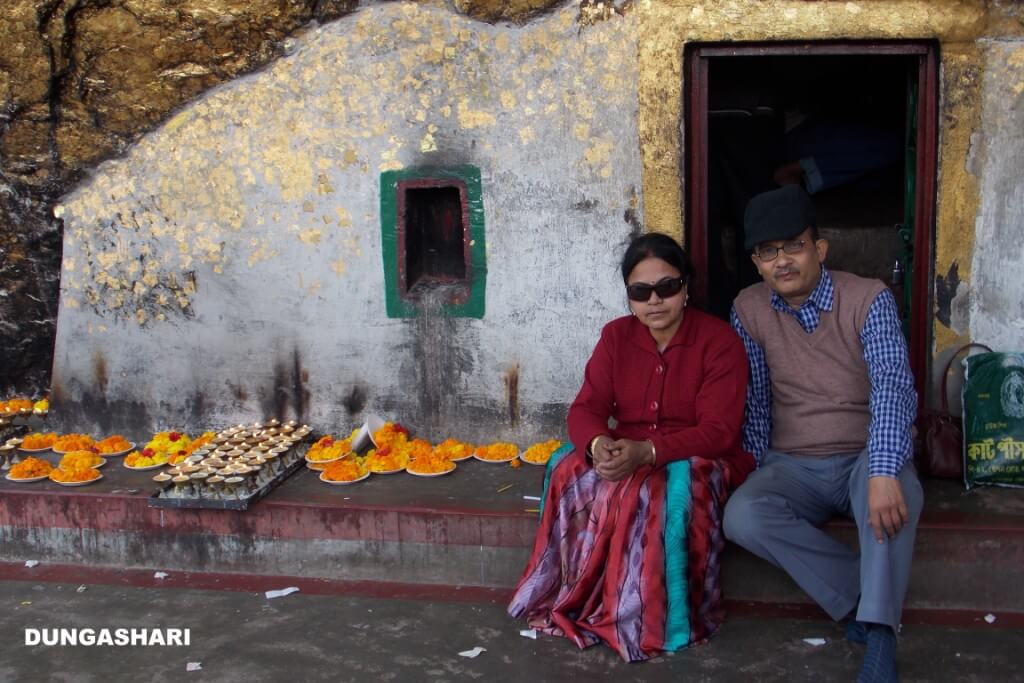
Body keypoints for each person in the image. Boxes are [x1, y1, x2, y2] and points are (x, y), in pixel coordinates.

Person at [508, 232, 755, 662]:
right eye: (641, 292)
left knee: (658, 494)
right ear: (629, 296)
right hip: (629, 448)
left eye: (667, 287)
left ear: (687, 287)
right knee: (568, 470)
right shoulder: (616, 337)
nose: (654, 301)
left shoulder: (719, 342)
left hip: (697, 456)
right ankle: (578, 594)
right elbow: (586, 407)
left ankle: (649, 612)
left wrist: (649, 452)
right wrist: (598, 443)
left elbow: (718, 431)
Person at [723, 185, 922, 683]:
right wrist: (750, 468)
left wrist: (882, 469)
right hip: (793, 461)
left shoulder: (867, 298)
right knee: (743, 516)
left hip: (863, 451)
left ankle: (878, 635)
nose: (782, 261)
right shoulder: (748, 308)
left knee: (896, 501)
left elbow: (893, 384)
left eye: (793, 245)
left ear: (821, 248)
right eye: (767, 252)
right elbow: (757, 402)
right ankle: (862, 594)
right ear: (755, 261)